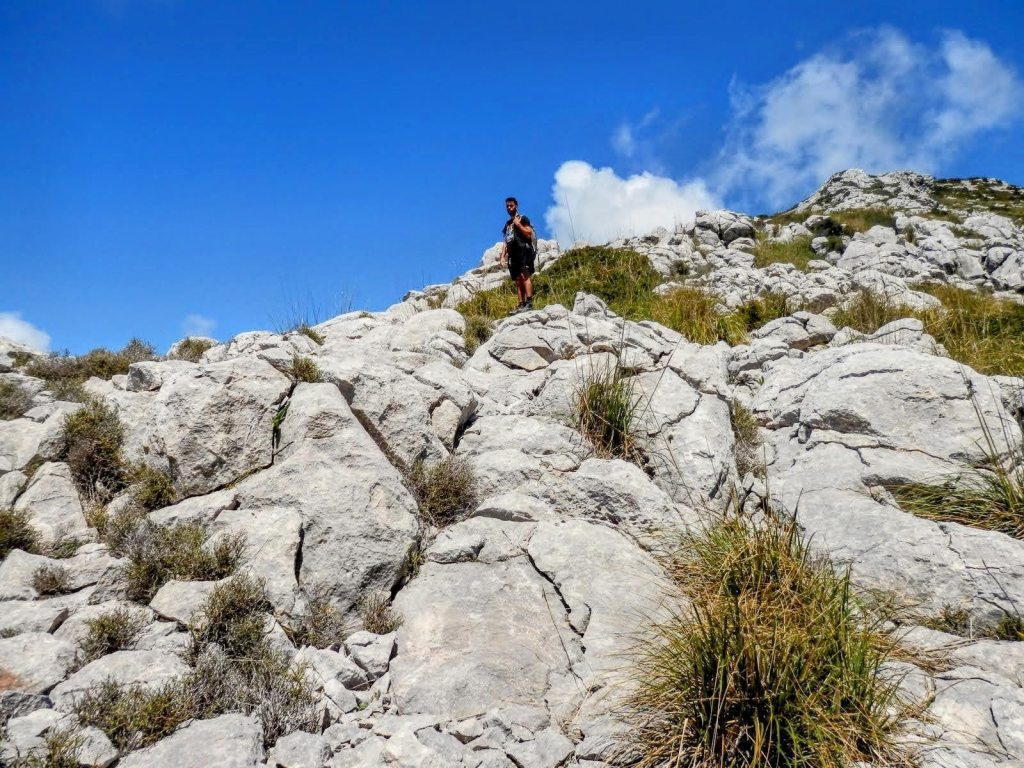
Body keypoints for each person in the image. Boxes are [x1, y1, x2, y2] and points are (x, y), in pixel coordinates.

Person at [499, 197, 535, 314]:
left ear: (516, 206)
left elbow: (529, 233)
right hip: (512, 254)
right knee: (517, 280)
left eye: (511, 206)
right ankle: (520, 304)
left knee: (525, 275)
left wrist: (519, 225)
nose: (509, 208)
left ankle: (529, 303)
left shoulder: (523, 218)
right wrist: (502, 256)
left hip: (523, 251)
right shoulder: (508, 224)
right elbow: (506, 241)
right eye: (507, 206)